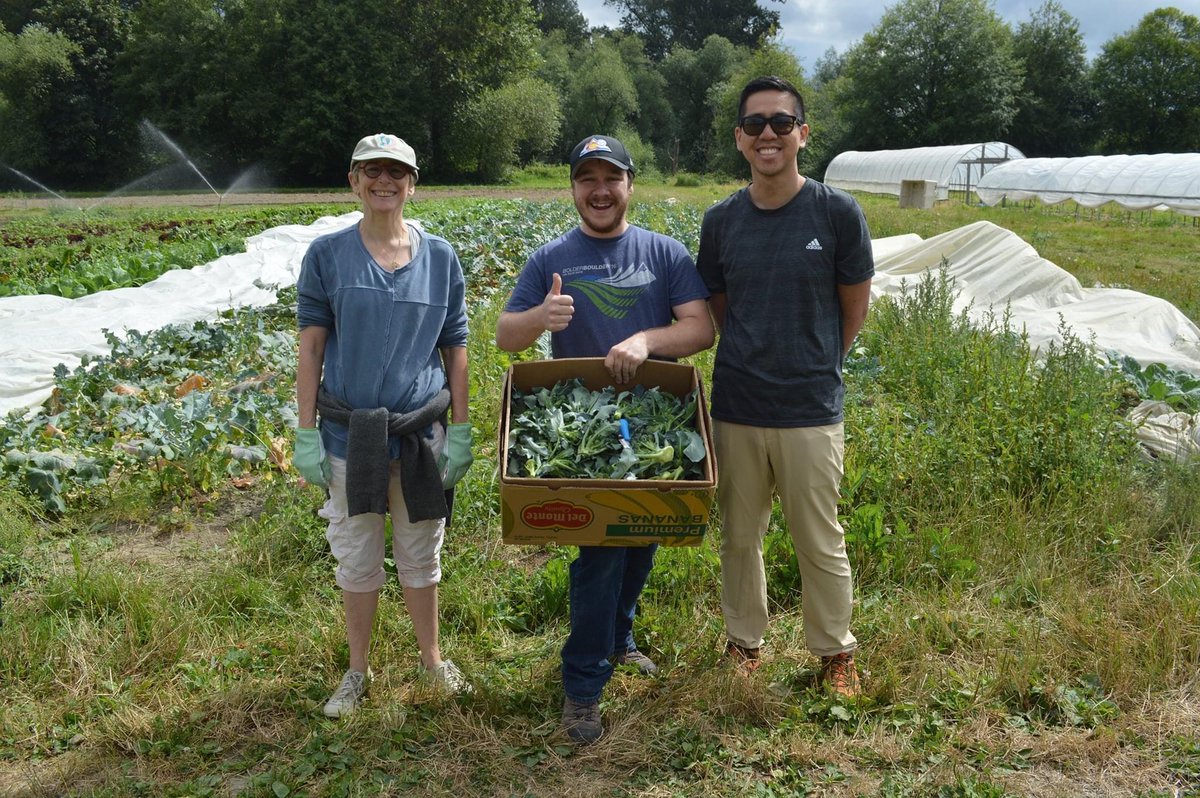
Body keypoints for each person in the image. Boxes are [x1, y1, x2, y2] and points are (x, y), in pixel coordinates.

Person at [495, 134, 714, 743]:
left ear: (628, 185)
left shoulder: (664, 253)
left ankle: (619, 638)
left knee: (641, 536)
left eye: (610, 178)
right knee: (601, 552)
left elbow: (700, 328)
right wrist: (540, 318)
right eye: (587, 179)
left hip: (650, 421)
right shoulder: (549, 260)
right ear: (573, 188)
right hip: (584, 433)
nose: (599, 190)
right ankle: (583, 686)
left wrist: (646, 341)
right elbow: (505, 337)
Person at [696, 76, 873, 697]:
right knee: (740, 538)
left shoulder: (835, 212)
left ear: (803, 132)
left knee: (819, 539)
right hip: (738, 405)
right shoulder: (721, 221)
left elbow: (853, 308)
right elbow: (719, 306)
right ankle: (745, 641)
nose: (767, 134)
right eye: (754, 125)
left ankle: (834, 651)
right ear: (740, 140)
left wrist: (817, 360)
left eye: (780, 122)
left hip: (810, 409)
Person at [293, 133, 475, 719]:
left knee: (421, 548)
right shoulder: (327, 255)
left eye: (396, 172)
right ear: (353, 181)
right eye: (371, 171)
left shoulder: (441, 259)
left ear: (412, 183)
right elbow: (312, 349)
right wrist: (305, 431)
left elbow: (457, 350)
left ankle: (432, 660)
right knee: (358, 553)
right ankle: (356, 671)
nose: (384, 182)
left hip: (422, 435)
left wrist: (463, 429)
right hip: (352, 435)